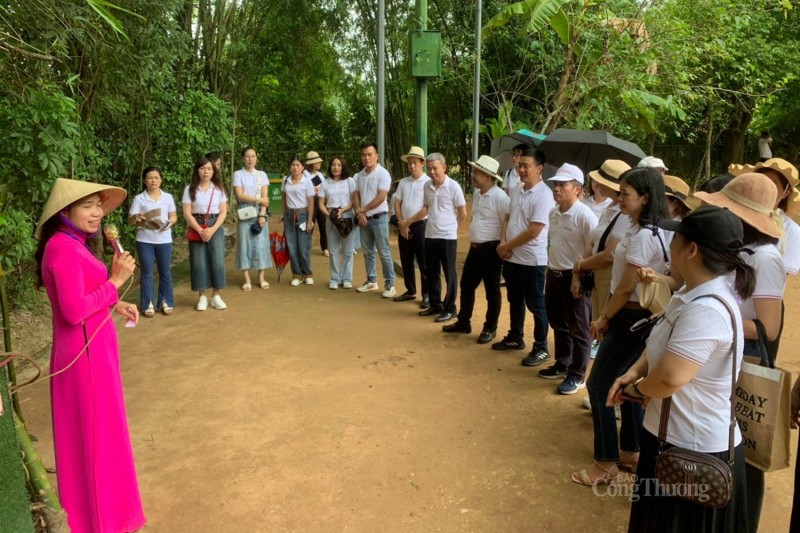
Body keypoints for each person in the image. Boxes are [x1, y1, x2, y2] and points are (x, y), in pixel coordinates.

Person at [610, 206, 752, 531]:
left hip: (692, 450)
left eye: (676, 237)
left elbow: (671, 378)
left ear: (691, 249)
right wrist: (636, 371)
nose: (669, 244)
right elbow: (662, 342)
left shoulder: (708, 309)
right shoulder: (689, 291)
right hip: (670, 438)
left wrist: (636, 390)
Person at [34, 178, 145, 532]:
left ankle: (110, 517)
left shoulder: (73, 243)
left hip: (94, 348)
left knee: (103, 435)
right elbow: (71, 311)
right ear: (65, 212)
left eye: (99, 205)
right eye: (88, 206)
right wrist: (115, 281)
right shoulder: (62, 247)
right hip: (83, 358)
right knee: (94, 439)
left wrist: (117, 301)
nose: (97, 212)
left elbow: (86, 297)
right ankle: (98, 522)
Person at [695, 173, 784, 531]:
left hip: (744, 355)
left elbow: (768, 328)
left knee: (745, 447)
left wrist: (715, 315)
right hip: (724, 349)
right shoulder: (740, 250)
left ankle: (743, 521)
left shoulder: (765, 259)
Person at [571, 167, 669, 486]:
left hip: (630, 317)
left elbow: (627, 288)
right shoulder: (647, 228)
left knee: (600, 385)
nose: (621, 198)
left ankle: (605, 462)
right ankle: (630, 448)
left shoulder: (643, 236)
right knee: (624, 384)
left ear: (646, 197)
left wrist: (603, 318)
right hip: (638, 317)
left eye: (626, 193)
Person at [493, 147, 555, 366]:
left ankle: (541, 347)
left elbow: (534, 231)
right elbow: (508, 217)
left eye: (526, 166)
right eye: (519, 165)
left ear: (539, 168)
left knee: (536, 305)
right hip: (512, 257)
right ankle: (515, 337)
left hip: (532, 261)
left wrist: (506, 245)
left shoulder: (545, 195)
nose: (520, 170)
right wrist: (503, 243)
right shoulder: (518, 190)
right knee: (515, 300)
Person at [540, 163, 598, 394]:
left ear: (577, 189)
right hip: (553, 274)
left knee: (579, 327)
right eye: (555, 184)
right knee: (558, 322)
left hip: (574, 277)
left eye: (562, 185)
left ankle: (578, 374)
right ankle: (563, 363)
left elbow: (593, 249)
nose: (556, 188)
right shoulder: (553, 213)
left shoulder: (585, 216)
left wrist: (578, 275)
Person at [442, 155, 510, 343]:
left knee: (491, 289)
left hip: (491, 249)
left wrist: (503, 245)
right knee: (467, 285)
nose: (473, 175)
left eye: (477, 172)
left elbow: (508, 221)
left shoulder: (500, 197)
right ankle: (464, 322)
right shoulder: (479, 195)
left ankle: (490, 327)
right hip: (475, 249)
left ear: (489, 177)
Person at [416, 152, 467, 322]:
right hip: (430, 235)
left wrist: (453, 228)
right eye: (429, 168)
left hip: (447, 237)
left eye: (435, 168)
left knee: (449, 273)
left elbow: (462, 213)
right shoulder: (426, 186)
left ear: (444, 168)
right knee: (432, 272)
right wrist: (409, 220)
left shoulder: (453, 186)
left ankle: (450, 308)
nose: (431, 172)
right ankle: (436, 304)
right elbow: (426, 207)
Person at [127, 166, 177, 317]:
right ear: (144, 180)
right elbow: (130, 221)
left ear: (161, 179)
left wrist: (169, 223)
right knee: (147, 272)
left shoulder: (167, 197)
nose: (153, 180)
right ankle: (147, 304)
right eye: (149, 178)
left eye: (156, 177)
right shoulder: (139, 198)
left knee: (165, 272)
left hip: (164, 239)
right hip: (144, 240)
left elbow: (174, 216)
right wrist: (137, 218)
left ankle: (165, 301)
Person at [182, 157, 228, 310]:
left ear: (213, 170)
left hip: (215, 226)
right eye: (202, 168)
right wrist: (200, 230)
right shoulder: (190, 189)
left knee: (218, 260)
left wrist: (212, 229)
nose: (206, 171)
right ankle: (202, 296)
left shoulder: (218, 189)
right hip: (197, 226)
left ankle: (216, 295)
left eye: (209, 168)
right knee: (198, 261)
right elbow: (187, 213)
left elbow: (223, 212)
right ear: (197, 170)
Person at [353, 140, 396, 298]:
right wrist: (360, 213)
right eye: (364, 155)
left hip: (379, 218)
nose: (366, 158)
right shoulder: (360, 175)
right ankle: (371, 280)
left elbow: (381, 197)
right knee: (368, 252)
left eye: (370, 154)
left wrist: (362, 210)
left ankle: (390, 284)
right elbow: (356, 194)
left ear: (376, 156)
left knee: (384, 252)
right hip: (364, 219)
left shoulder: (383, 173)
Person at [393, 146, 431, 307]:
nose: (412, 166)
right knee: (406, 259)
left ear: (422, 163)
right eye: (409, 163)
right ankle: (410, 290)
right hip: (404, 225)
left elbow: (426, 207)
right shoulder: (403, 182)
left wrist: (408, 222)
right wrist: (401, 222)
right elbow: (397, 202)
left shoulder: (428, 182)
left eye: (415, 162)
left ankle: (427, 294)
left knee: (423, 262)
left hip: (421, 225)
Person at [233, 146, 272, 291]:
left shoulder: (262, 174)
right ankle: (247, 279)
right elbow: (240, 195)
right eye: (247, 156)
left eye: (253, 156)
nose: (250, 159)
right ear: (243, 158)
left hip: (259, 212)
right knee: (244, 244)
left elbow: (265, 198)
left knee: (261, 244)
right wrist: (258, 200)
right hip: (244, 211)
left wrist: (262, 213)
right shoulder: (238, 174)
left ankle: (261, 278)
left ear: (257, 158)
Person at [318, 156, 357, 289]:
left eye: (339, 165)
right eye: (334, 165)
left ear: (343, 167)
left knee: (347, 250)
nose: (336, 167)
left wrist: (343, 210)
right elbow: (321, 203)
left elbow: (354, 200)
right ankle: (335, 278)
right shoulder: (325, 182)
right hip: (331, 217)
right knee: (333, 250)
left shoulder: (350, 181)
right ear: (330, 167)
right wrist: (328, 215)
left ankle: (346, 278)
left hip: (346, 216)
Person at [282, 156, 316, 285]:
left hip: (303, 214)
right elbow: (284, 198)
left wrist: (309, 220)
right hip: (289, 216)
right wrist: (284, 213)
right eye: (293, 165)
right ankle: (296, 274)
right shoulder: (286, 181)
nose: (295, 168)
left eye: (298, 165)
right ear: (290, 167)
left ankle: (307, 273)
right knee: (292, 246)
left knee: (303, 246)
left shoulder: (307, 182)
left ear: (302, 167)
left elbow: (311, 202)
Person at [304, 150, 329, 256]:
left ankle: (325, 248)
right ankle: (306, 247)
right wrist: (314, 189)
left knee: (324, 225)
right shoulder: (304, 174)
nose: (320, 163)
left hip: (321, 202)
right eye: (317, 161)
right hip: (310, 202)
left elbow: (323, 188)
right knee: (310, 225)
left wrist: (317, 190)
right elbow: (308, 189)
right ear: (312, 163)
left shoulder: (319, 174)